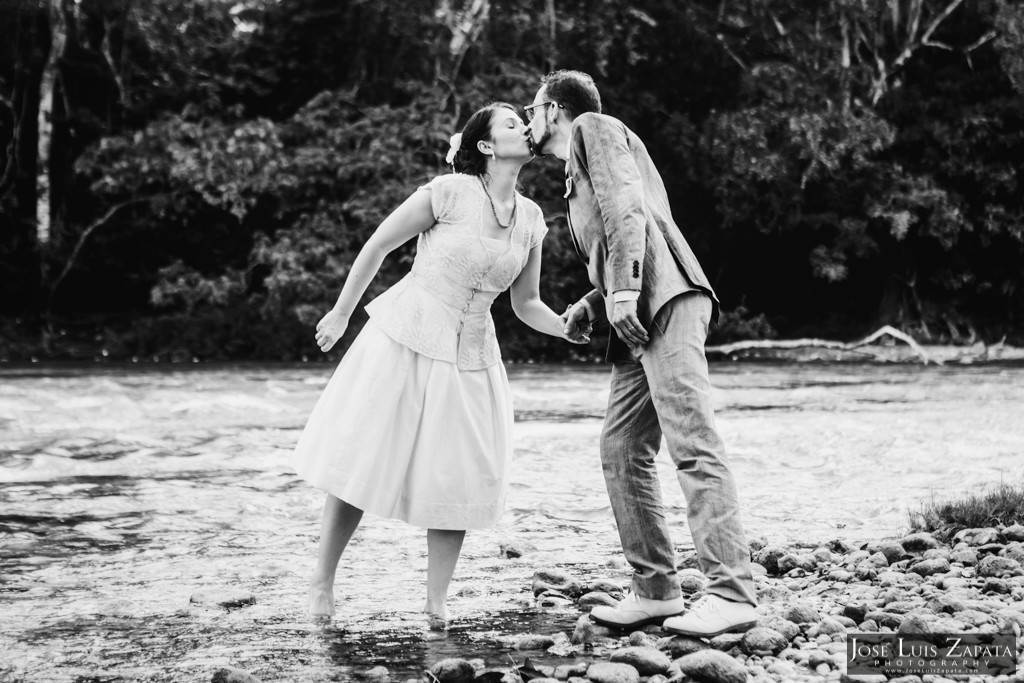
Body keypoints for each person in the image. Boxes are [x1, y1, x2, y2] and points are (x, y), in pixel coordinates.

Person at [291, 102, 587, 628]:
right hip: (406, 336)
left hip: (473, 354)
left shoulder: (534, 219)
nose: (526, 127)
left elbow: (525, 304)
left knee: (458, 476)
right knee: (363, 458)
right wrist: (340, 314)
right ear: (486, 146)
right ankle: (322, 582)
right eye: (512, 124)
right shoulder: (447, 193)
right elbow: (379, 245)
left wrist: (565, 326)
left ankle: (435, 604)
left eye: (526, 121)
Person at [525, 70, 759, 637]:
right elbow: (631, 224)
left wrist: (625, 285)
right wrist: (595, 298)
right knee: (622, 446)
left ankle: (732, 593)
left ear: (553, 109)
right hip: (636, 314)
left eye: (531, 109)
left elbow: (629, 211)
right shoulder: (574, 170)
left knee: (692, 441)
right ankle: (656, 590)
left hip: (665, 299)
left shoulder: (592, 127)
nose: (528, 120)